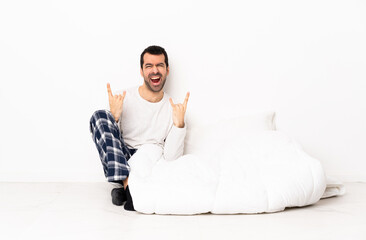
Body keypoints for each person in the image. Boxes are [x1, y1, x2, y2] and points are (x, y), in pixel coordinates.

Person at [89, 45, 190, 211]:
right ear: (142, 71)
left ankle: (123, 189)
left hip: (150, 161)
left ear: (167, 70)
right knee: (100, 116)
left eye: (160, 65)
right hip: (122, 156)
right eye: (149, 66)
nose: (155, 70)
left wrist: (179, 125)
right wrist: (115, 117)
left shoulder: (174, 108)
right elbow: (109, 139)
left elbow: (171, 157)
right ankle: (128, 186)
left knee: (149, 156)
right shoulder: (123, 97)